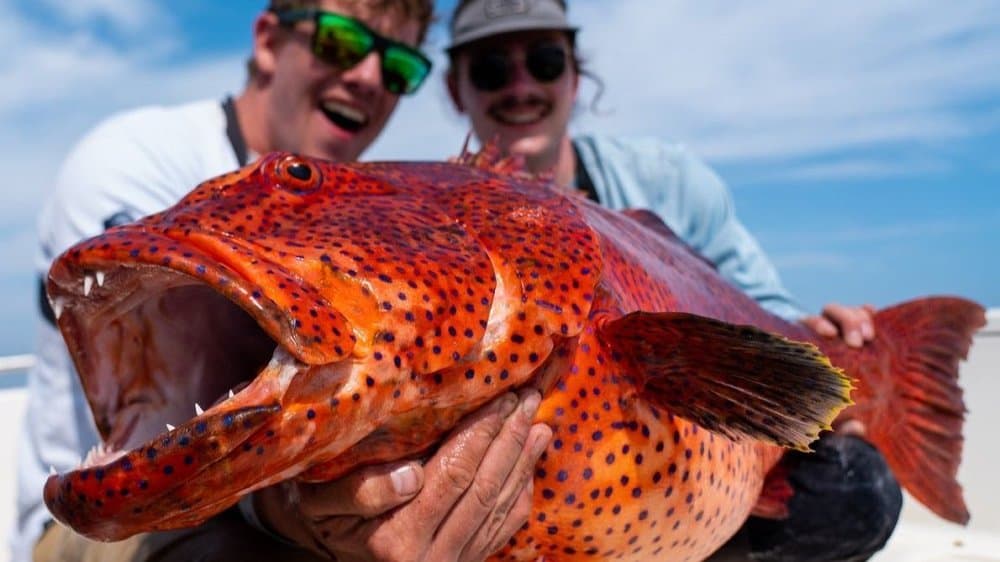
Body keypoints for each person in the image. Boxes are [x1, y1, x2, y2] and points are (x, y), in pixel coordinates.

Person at [15, 2, 551, 561]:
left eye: (397, 68)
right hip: (93, 532)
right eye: (341, 42)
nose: (368, 77)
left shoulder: (356, 216)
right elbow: (183, 409)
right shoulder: (139, 157)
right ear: (269, 40)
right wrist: (291, 514)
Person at [443, 0, 898, 560]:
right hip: (585, 492)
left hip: (708, 455)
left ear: (576, 75)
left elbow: (759, 305)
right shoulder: (442, 216)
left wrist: (826, 347)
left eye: (543, 60)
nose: (519, 86)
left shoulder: (667, 179)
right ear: (455, 88)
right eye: (490, 69)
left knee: (857, 494)